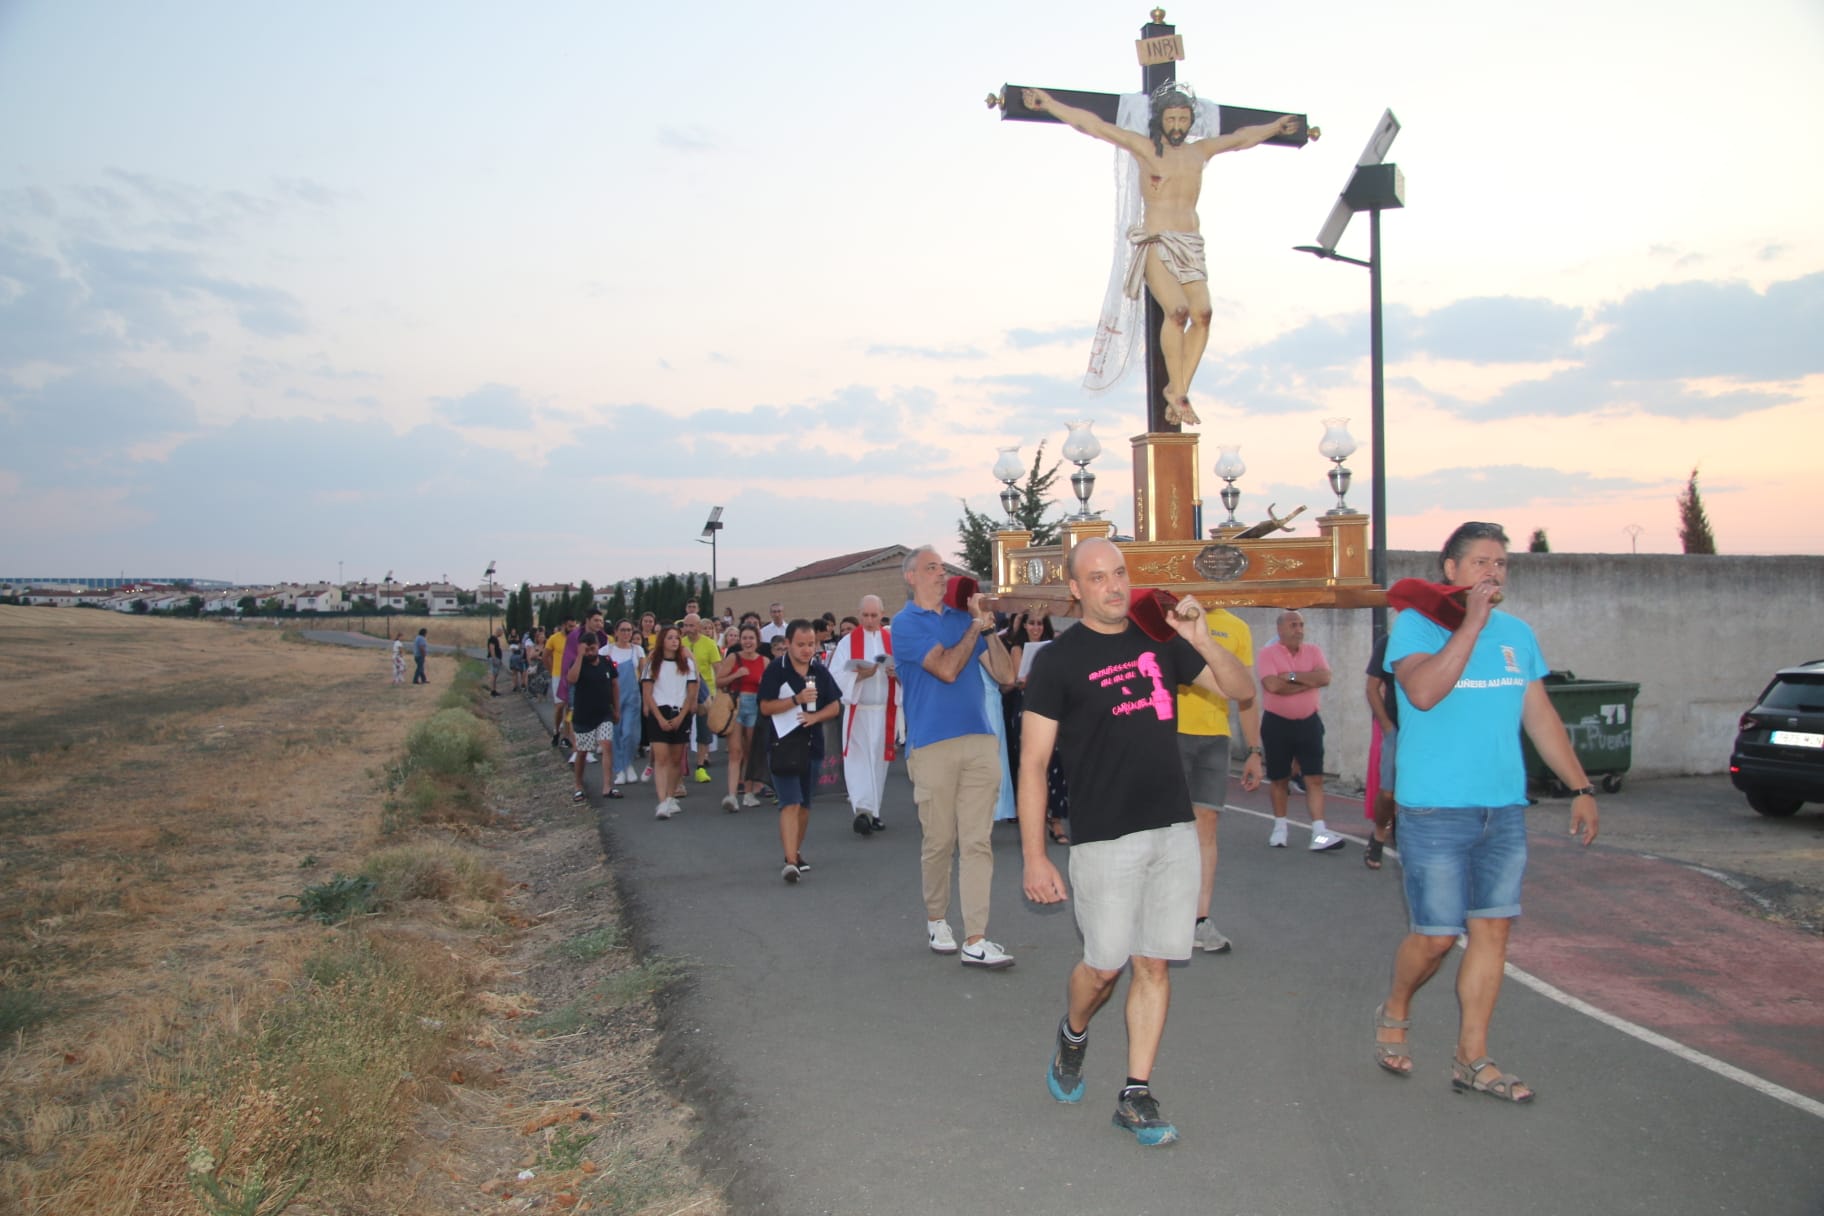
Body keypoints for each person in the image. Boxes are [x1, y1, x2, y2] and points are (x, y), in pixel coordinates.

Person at [1020, 538, 1256, 1147]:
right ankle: (1074, 1033)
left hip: (1172, 829)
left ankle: (1135, 1093)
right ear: (1075, 589)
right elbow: (1034, 762)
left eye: (1120, 574)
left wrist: (1201, 638)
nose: (1114, 586)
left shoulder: (1162, 640)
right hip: (1103, 838)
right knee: (1103, 969)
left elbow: (1241, 690)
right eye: (1097, 578)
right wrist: (1034, 855)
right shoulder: (1057, 662)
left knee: (1153, 963)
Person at [1373, 523, 1599, 1104]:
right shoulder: (1416, 627)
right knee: (1437, 937)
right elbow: (1421, 693)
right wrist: (1469, 624)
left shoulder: (1517, 635)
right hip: (1434, 808)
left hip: (1502, 809)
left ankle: (1472, 1057)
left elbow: (1540, 716)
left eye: (1500, 563)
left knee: (1492, 931)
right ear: (1450, 570)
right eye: (1480, 562)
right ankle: (1396, 1005)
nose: (1492, 572)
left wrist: (1580, 786)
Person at [1023, 85, 1300, 426]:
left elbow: (1242, 138)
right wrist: (1050, 104)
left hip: (1190, 243)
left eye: (1184, 118)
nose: (1178, 125)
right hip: (1157, 240)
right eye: (1172, 118)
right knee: (1178, 311)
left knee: (1204, 314)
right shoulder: (1145, 149)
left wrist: (1275, 127)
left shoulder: (1200, 152)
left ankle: (1178, 388)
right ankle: (1179, 393)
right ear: (1160, 119)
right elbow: (1093, 125)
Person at [891, 547, 1017, 969]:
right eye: (932, 568)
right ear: (911, 577)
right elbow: (945, 668)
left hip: (980, 739)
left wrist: (988, 630)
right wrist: (972, 630)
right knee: (940, 841)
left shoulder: (966, 620)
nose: (941, 575)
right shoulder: (905, 625)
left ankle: (977, 938)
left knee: (977, 841)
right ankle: (936, 918)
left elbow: (1006, 676)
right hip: (931, 745)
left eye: (944, 568)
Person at [1176, 605, 1264, 953]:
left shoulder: (1238, 627)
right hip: (1172, 732)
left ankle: (1199, 920)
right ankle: (1163, 914)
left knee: (1206, 825)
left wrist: (1255, 750)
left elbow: (1247, 695)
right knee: (1169, 826)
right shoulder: (1174, 619)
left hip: (1215, 738)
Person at [758, 620, 843, 883]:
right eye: (801, 645)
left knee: (805, 805)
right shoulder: (776, 669)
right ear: (787, 644)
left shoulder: (819, 671)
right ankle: (791, 862)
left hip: (812, 745)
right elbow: (765, 707)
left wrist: (814, 717)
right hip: (782, 745)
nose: (807, 650)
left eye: (811, 645)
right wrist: (795, 701)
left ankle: (794, 850)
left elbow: (835, 706)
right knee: (790, 802)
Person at [1256, 610, 1344, 852]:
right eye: (1294, 625)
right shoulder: (1267, 654)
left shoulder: (1314, 651)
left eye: (1301, 624)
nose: (1299, 629)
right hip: (1277, 723)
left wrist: (1292, 677)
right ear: (1280, 629)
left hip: (1309, 722)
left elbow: (1325, 677)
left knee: (1314, 777)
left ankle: (1319, 830)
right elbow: (1272, 685)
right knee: (1279, 778)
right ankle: (1280, 827)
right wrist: (1308, 682)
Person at [831, 595, 899, 836]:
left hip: (883, 711)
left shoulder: (893, 640)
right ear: (859, 614)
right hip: (858, 710)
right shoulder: (848, 642)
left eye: (874, 615)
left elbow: (908, 674)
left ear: (882, 614)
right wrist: (860, 675)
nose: (870, 620)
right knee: (859, 762)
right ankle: (862, 811)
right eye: (865, 615)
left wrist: (896, 673)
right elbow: (835, 676)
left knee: (879, 763)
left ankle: (875, 812)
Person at [640, 625, 698, 820]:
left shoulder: (686, 665)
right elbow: (648, 693)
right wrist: (659, 718)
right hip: (660, 711)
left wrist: (681, 717)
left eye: (677, 638)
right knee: (661, 758)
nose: (675, 641)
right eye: (670, 637)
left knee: (675, 759)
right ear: (662, 641)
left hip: (680, 711)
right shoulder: (652, 664)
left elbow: (691, 692)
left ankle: (671, 796)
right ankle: (662, 800)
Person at [715, 624, 770, 811]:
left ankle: (748, 792)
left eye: (751, 638)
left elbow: (771, 688)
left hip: (756, 705)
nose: (748, 642)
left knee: (750, 751)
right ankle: (731, 795)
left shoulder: (764, 661)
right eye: (744, 638)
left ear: (757, 641)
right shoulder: (733, 658)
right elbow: (718, 681)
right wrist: (736, 675)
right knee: (735, 751)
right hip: (736, 704)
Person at [565, 629, 622, 804]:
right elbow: (571, 679)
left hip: (603, 712)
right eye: (587, 649)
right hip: (583, 715)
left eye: (593, 648)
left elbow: (614, 685)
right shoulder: (578, 663)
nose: (591, 652)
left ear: (598, 647)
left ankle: (607, 785)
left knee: (606, 745)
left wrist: (616, 709)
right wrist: (581, 656)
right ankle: (578, 785)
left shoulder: (606, 662)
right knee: (582, 752)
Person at [1363, 629, 1400, 871]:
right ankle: (1378, 834)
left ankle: (1405, 833)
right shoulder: (1388, 643)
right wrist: (1387, 726)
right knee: (1388, 793)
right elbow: (1372, 688)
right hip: (1396, 730)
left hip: (1428, 732)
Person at [681, 613, 723, 783]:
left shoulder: (710, 644)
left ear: (699, 626)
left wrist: (720, 693)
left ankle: (700, 767)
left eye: (692, 626)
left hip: (705, 692)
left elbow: (718, 668)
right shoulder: (680, 644)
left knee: (703, 731)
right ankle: (682, 763)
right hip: (682, 693)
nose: (689, 629)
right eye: (686, 626)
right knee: (682, 730)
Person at [606, 620, 645, 787]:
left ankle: (628, 763)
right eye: (623, 630)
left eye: (629, 630)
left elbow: (644, 674)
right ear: (616, 631)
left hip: (632, 698)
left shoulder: (637, 650)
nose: (626, 633)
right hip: (613, 697)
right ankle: (620, 769)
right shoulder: (607, 650)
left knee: (630, 732)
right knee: (616, 733)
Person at [486, 628, 503, 696]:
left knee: (495, 675)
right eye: (501, 633)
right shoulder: (493, 638)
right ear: (498, 632)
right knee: (493, 675)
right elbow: (491, 648)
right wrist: (494, 658)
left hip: (496, 658)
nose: (501, 635)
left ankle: (494, 690)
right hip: (494, 659)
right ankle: (492, 691)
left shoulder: (494, 638)